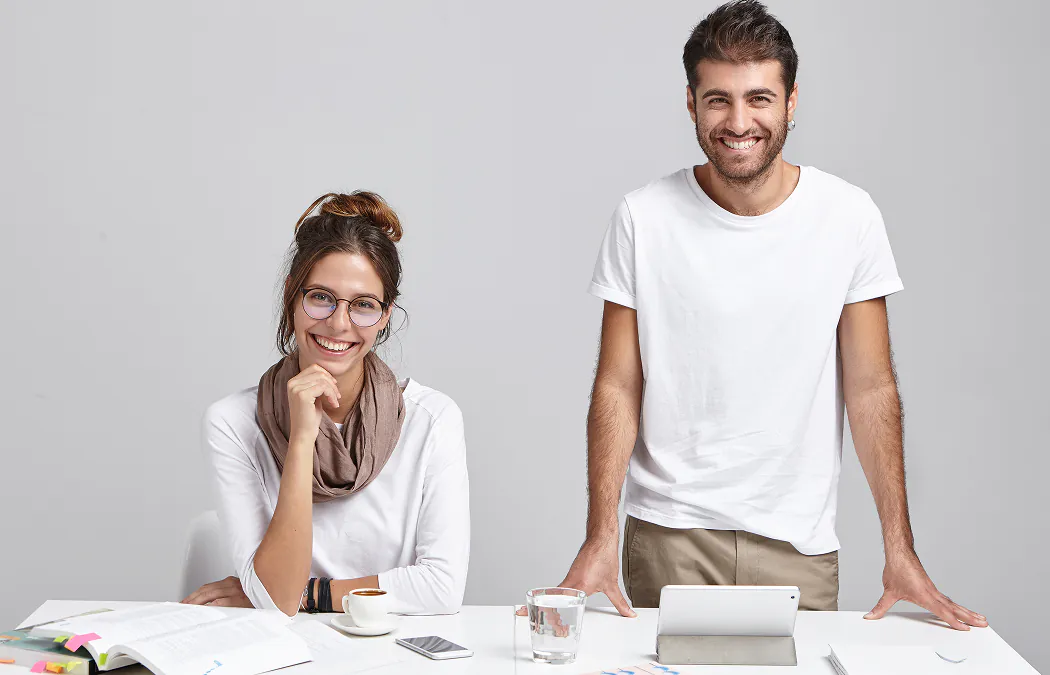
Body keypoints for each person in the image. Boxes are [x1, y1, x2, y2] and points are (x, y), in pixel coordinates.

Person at [556, 0, 986, 630]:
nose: (738, 122)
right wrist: (599, 536)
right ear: (691, 103)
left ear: (790, 102)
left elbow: (872, 387)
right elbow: (618, 384)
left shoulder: (849, 216)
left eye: (759, 98)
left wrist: (900, 549)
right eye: (718, 100)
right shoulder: (642, 218)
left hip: (797, 543)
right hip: (670, 533)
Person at [182, 192, 470, 616]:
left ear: (385, 316)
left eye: (363, 305)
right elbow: (277, 601)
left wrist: (308, 594)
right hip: (284, 647)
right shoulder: (232, 422)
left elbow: (440, 589)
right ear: (291, 296)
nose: (338, 323)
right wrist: (302, 439)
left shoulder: (432, 419)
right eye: (320, 297)